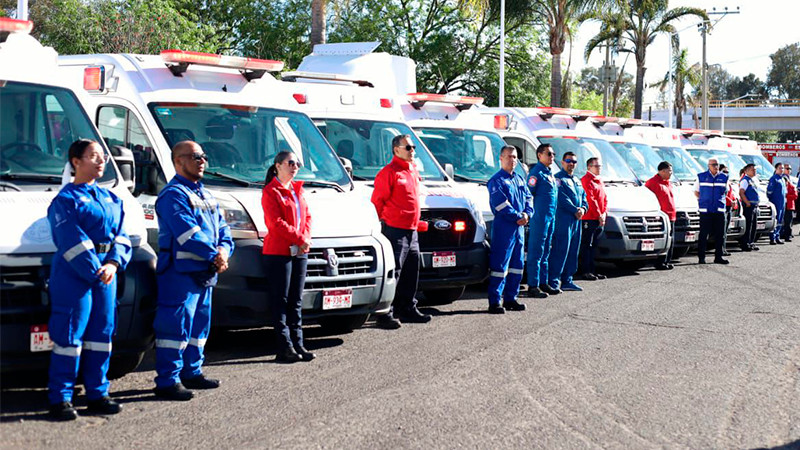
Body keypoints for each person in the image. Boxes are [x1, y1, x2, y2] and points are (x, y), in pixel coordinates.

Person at [46, 140, 132, 421]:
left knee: (101, 336)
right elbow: (70, 239)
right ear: (75, 161)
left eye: (103, 157)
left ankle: (98, 393)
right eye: (93, 156)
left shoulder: (111, 199)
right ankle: (60, 398)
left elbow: (122, 235)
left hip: (106, 274)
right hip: (75, 275)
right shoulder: (65, 200)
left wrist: (113, 263)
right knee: (70, 336)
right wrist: (97, 268)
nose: (100, 161)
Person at [153, 141, 234, 401]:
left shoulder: (207, 195)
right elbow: (188, 234)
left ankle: (192, 372)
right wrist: (216, 254)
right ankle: (168, 380)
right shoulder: (173, 195)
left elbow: (224, 231)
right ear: (178, 161)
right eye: (195, 156)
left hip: (205, 272)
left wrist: (223, 251)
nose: (202, 161)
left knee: (199, 327)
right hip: (180, 274)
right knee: (174, 328)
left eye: (203, 156)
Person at [371, 134, 431, 328]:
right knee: (394, 271)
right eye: (408, 147)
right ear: (396, 150)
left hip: (411, 230)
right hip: (395, 230)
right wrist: (379, 225)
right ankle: (384, 313)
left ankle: (407, 308)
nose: (412, 150)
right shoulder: (389, 172)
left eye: (413, 147)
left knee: (411, 271)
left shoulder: (412, 170)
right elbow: (377, 201)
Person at [261, 151, 315, 363]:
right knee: (281, 300)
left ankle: (298, 343)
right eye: (290, 163)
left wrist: (306, 238)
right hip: (279, 252)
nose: (295, 167)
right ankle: (284, 347)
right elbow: (275, 223)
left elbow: (307, 216)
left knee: (296, 300)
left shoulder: (296, 190)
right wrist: (300, 238)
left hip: (299, 251)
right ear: (278, 166)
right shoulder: (271, 191)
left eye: (297, 163)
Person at [485, 146, 532, 314]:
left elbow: (528, 198)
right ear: (501, 158)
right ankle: (495, 301)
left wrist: (527, 214)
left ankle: (511, 299)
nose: (512, 160)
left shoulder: (519, 179)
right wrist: (518, 216)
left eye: (515, 157)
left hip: (519, 229)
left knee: (517, 266)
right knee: (500, 266)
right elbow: (500, 204)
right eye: (509, 157)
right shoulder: (496, 181)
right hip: (505, 228)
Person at [547, 152, 588, 291]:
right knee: (560, 250)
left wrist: (583, 208)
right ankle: (553, 281)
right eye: (569, 161)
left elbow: (584, 197)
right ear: (563, 162)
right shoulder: (558, 179)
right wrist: (574, 209)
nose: (571, 164)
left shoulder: (577, 180)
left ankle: (567, 280)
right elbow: (561, 198)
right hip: (563, 220)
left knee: (573, 250)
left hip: (576, 221)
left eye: (574, 162)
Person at [526, 144, 560, 298]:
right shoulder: (536, 173)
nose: (552, 157)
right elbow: (528, 194)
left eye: (553, 154)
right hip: (540, 218)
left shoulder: (550, 173)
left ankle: (543, 282)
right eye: (549, 154)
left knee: (546, 250)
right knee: (536, 251)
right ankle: (533, 285)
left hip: (550, 217)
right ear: (539, 155)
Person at [578, 157, 608, 280]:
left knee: (594, 245)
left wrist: (604, 212)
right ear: (589, 167)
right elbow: (591, 199)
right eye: (596, 166)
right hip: (589, 218)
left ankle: (593, 270)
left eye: (600, 166)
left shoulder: (599, 180)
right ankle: (585, 270)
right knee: (587, 245)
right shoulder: (586, 180)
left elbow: (604, 198)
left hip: (599, 218)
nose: (599, 168)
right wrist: (599, 214)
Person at [694, 157, 729, 264]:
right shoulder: (701, 177)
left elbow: (725, 192)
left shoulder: (724, 177)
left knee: (720, 234)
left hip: (719, 210)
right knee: (704, 235)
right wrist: (705, 200)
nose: (716, 167)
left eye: (717, 164)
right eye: (713, 165)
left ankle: (718, 256)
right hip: (706, 210)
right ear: (708, 166)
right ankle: (701, 257)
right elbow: (696, 192)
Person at [646, 161, 677, 270]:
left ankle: (667, 261)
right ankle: (659, 262)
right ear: (662, 171)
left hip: (671, 216)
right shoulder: (652, 183)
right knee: (664, 240)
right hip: (662, 217)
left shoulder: (668, 183)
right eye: (669, 171)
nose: (671, 173)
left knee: (671, 240)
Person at [738, 163, 761, 252]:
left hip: (754, 205)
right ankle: (745, 243)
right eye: (752, 170)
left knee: (754, 225)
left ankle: (751, 242)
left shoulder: (752, 180)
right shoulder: (745, 180)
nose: (754, 171)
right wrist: (747, 202)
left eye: (755, 169)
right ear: (746, 171)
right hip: (749, 205)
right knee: (748, 225)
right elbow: (741, 192)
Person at [718, 164, 738, 256]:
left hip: (730, 207)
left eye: (727, 172)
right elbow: (722, 195)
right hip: (724, 207)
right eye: (724, 171)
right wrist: (730, 201)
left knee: (726, 230)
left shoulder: (728, 182)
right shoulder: (720, 182)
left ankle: (723, 248)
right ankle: (720, 249)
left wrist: (734, 200)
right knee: (722, 230)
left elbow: (731, 194)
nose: (726, 173)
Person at [766, 162, 787, 245]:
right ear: (776, 169)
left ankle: (777, 236)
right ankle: (772, 237)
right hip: (776, 202)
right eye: (780, 168)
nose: (782, 170)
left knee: (780, 220)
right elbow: (769, 191)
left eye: (782, 168)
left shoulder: (782, 179)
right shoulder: (773, 179)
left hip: (782, 203)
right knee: (776, 219)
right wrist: (771, 200)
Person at [782, 163, 796, 242]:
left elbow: (795, 194)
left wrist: (787, 196)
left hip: (790, 204)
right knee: (783, 220)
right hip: (783, 203)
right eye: (787, 169)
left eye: (789, 169)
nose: (788, 170)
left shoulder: (791, 180)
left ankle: (788, 234)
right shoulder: (782, 178)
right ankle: (783, 234)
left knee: (789, 221)